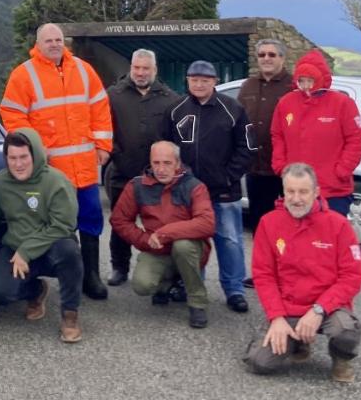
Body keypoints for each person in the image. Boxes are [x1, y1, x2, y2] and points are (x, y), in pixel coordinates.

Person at [0, 23, 112, 300]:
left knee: (90, 220)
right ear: (37, 44)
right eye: (48, 40)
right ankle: (68, 277)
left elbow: (100, 108)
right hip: (50, 172)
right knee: (58, 224)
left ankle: (91, 277)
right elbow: (13, 116)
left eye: (58, 39)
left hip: (85, 167)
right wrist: (37, 150)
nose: (54, 44)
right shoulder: (23, 74)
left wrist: (103, 145)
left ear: (65, 41)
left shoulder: (84, 70)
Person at [244, 163, 361, 383]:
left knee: (346, 331)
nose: (296, 198)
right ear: (283, 191)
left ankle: (341, 358)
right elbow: (264, 276)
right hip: (288, 307)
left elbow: (352, 277)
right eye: (290, 191)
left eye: (303, 191)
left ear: (316, 192)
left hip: (328, 308)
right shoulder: (269, 223)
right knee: (258, 362)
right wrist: (276, 318)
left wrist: (319, 309)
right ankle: (298, 341)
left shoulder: (338, 225)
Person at [0, 129, 84, 343]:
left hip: (51, 244)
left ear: (35, 155)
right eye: (12, 158)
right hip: (16, 246)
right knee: (0, 293)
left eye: (23, 157)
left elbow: (64, 225)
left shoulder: (57, 182)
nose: (18, 164)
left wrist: (27, 251)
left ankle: (70, 315)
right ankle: (35, 291)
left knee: (70, 253)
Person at [164, 60, 252, 312]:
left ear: (214, 82)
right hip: (187, 192)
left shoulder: (233, 108)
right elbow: (165, 147)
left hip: (223, 191)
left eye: (205, 80)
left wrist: (228, 177)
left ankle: (234, 290)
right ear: (188, 81)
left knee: (230, 240)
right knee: (191, 241)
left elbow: (247, 147)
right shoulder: (176, 110)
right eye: (194, 79)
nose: (199, 84)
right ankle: (193, 286)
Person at [110, 141, 215, 329]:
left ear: (177, 163)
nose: (161, 169)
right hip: (157, 250)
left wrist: (165, 233)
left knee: (182, 245)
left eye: (167, 163)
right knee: (141, 285)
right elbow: (119, 220)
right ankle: (166, 284)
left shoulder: (194, 186)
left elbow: (207, 223)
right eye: (156, 163)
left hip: (189, 249)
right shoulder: (137, 185)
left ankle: (197, 302)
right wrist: (144, 241)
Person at [103, 48, 177, 287]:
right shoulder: (113, 95)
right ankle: (119, 267)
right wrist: (114, 151)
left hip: (157, 178)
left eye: (146, 68)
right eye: (136, 67)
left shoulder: (170, 99)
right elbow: (103, 127)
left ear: (154, 70)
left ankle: (163, 272)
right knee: (120, 222)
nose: (140, 72)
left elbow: (174, 137)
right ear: (131, 68)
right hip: (122, 172)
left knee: (161, 223)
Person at [270, 50, 361, 217]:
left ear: (321, 79)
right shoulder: (286, 103)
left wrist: (341, 170)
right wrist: (281, 166)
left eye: (311, 80)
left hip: (332, 190)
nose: (306, 85)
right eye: (302, 81)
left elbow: (357, 140)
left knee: (330, 238)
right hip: (297, 189)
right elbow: (277, 136)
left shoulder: (342, 103)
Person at [236, 39, 292, 235]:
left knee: (290, 227)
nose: (266, 58)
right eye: (262, 55)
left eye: (272, 54)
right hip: (256, 170)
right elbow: (237, 122)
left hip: (286, 171)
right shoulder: (247, 86)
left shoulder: (293, 87)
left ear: (282, 58)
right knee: (261, 228)